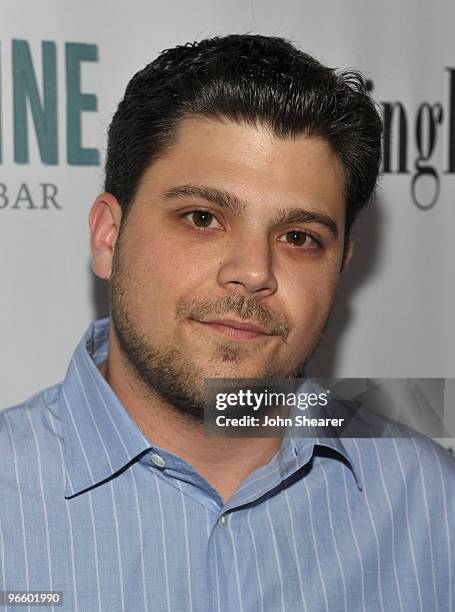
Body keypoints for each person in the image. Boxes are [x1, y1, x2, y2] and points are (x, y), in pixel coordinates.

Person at [1, 34, 453, 612]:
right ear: (108, 237)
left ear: (341, 267)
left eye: (299, 238)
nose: (253, 272)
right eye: (202, 218)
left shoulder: (429, 503)